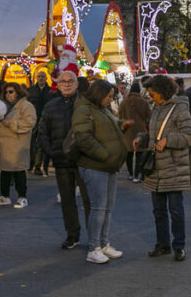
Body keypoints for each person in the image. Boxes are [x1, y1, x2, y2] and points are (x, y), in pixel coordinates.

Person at [136, 74, 191, 262]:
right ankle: (162, 244)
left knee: (176, 210)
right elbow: (153, 133)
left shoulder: (180, 109)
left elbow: (189, 135)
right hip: (156, 168)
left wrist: (168, 140)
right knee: (158, 210)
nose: (150, 97)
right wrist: (142, 137)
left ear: (163, 92)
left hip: (174, 167)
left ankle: (179, 246)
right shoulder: (156, 108)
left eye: (153, 93)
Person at [73, 80, 131, 265]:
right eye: (109, 96)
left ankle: (103, 243)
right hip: (95, 165)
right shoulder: (84, 111)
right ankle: (93, 248)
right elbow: (84, 138)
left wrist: (121, 124)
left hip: (108, 165)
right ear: (99, 95)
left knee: (107, 208)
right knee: (98, 208)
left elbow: (107, 127)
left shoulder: (101, 109)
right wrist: (104, 154)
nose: (110, 100)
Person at [39, 70, 92, 249]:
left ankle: (95, 236)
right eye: (63, 81)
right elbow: (43, 132)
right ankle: (72, 235)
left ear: (77, 84)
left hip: (83, 160)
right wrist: (51, 152)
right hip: (61, 160)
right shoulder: (51, 106)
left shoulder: (85, 104)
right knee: (67, 201)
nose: (67, 84)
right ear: (58, 85)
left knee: (89, 201)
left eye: (71, 81)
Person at [0, 83, 36, 209]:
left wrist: (12, 124)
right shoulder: (3, 105)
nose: (8, 94)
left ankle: (22, 197)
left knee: (19, 171)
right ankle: (4, 196)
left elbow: (29, 122)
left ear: (18, 92)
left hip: (17, 143)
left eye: (11, 91)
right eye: (6, 92)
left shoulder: (26, 106)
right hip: (3, 144)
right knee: (4, 171)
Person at [119, 81, 151, 182]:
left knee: (128, 154)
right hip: (140, 131)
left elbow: (119, 117)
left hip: (127, 130)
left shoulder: (124, 102)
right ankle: (137, 176)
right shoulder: (143, 101)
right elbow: (149, 116)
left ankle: (130, 174)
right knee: (139, 155)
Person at [28, 70, 53, 176]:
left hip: (46, 120)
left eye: (43, 76)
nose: (41, 78)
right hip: (34, 119)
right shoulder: (31, 90)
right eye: (39, 76)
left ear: (46, 78)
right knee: (31, 142)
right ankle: (31, 163)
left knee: (42, 143)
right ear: (36, 78)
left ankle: (39, 166)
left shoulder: (51, 91)